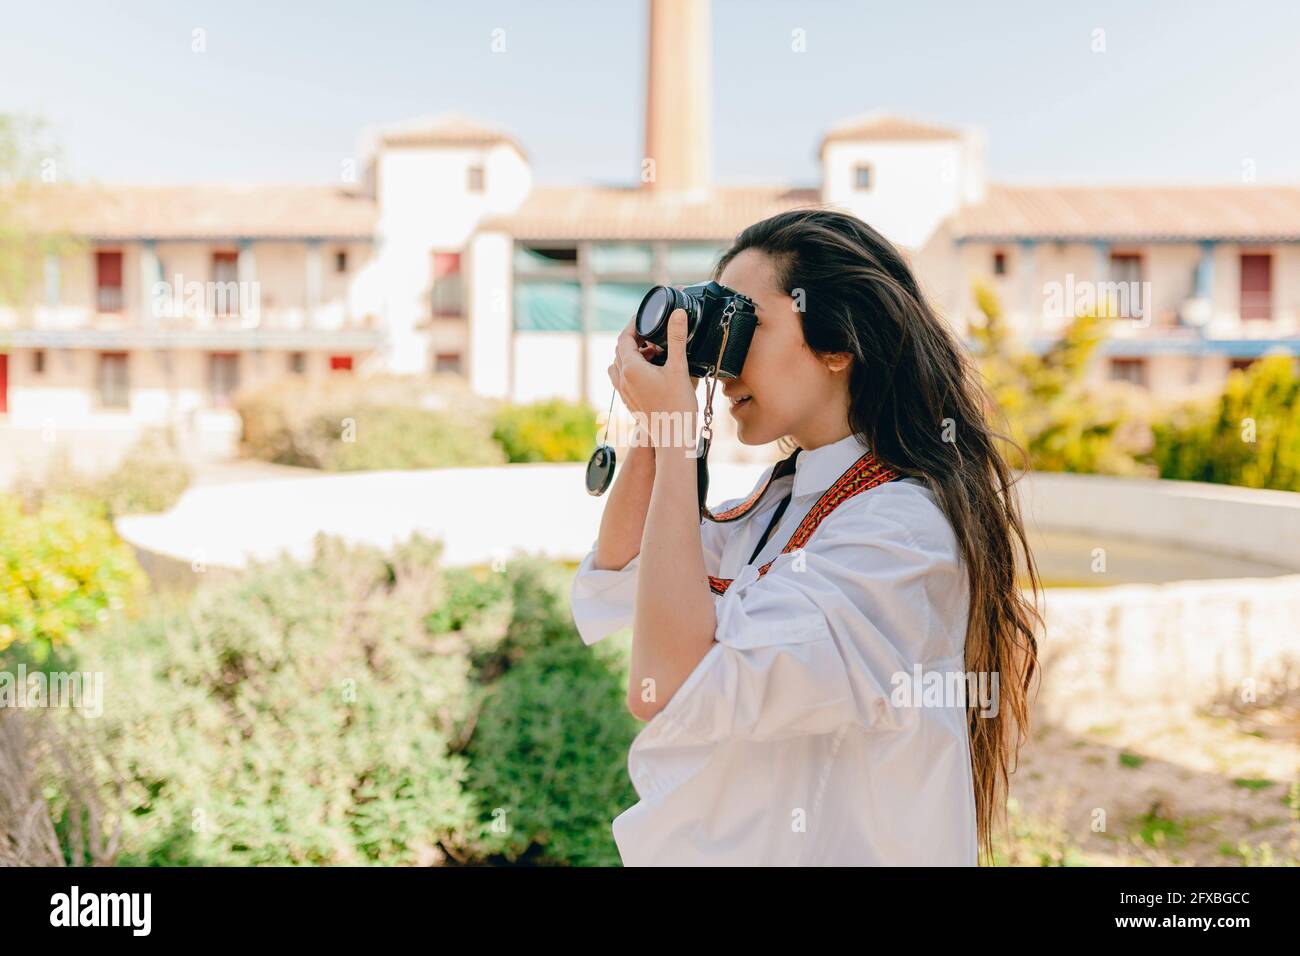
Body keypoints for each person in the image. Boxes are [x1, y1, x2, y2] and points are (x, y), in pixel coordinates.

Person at [570, 208, 1041, 866]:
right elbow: (625, 570)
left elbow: (664, 685)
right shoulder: (777, 506)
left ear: (838, 344)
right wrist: (659, 427)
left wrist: (679, 434)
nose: (725, 358)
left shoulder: (901, 532)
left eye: (744, 324)